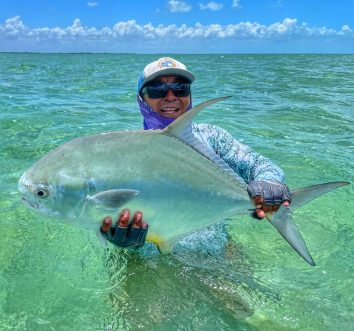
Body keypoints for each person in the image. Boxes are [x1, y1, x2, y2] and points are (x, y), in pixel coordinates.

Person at [100, 57, 291, 248]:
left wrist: (270, 183)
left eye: (180, 88)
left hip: (218, 256)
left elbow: (261, 165)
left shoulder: (212, 137)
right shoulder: (126, 149)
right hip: (148, 261)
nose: (170, 96)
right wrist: (123, 243)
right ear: (141, 98)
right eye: (157, 90)